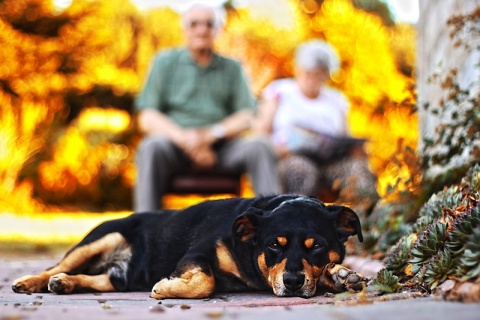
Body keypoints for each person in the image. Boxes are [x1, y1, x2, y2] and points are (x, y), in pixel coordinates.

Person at [134, 3, 279, 212]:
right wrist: (186, 140)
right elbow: (147, 117)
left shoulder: (232, 67)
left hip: (222, 149)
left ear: (217, 30)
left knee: (260, 146)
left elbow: (247, 116)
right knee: (151, 146)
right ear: (185, 29)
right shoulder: (163, 62)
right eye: (194, 24)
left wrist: (208, 136)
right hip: (175, 147)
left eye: (208, 24)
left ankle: (273, 224)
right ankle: (144, 229)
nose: (202, 30)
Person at [254, 40, 378, 211]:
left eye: (319, 74)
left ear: (327, 74)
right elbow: (260, 133)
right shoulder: (280, 91)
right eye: (308, 73)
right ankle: (297, 223)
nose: (313, 79)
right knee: (300, 170)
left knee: (358, 170)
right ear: (298, 69)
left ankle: (370, 227)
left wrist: (355, 150)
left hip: (331, 163)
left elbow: (344, 137)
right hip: (289, 158)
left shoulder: (337, 100)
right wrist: (277, 150)